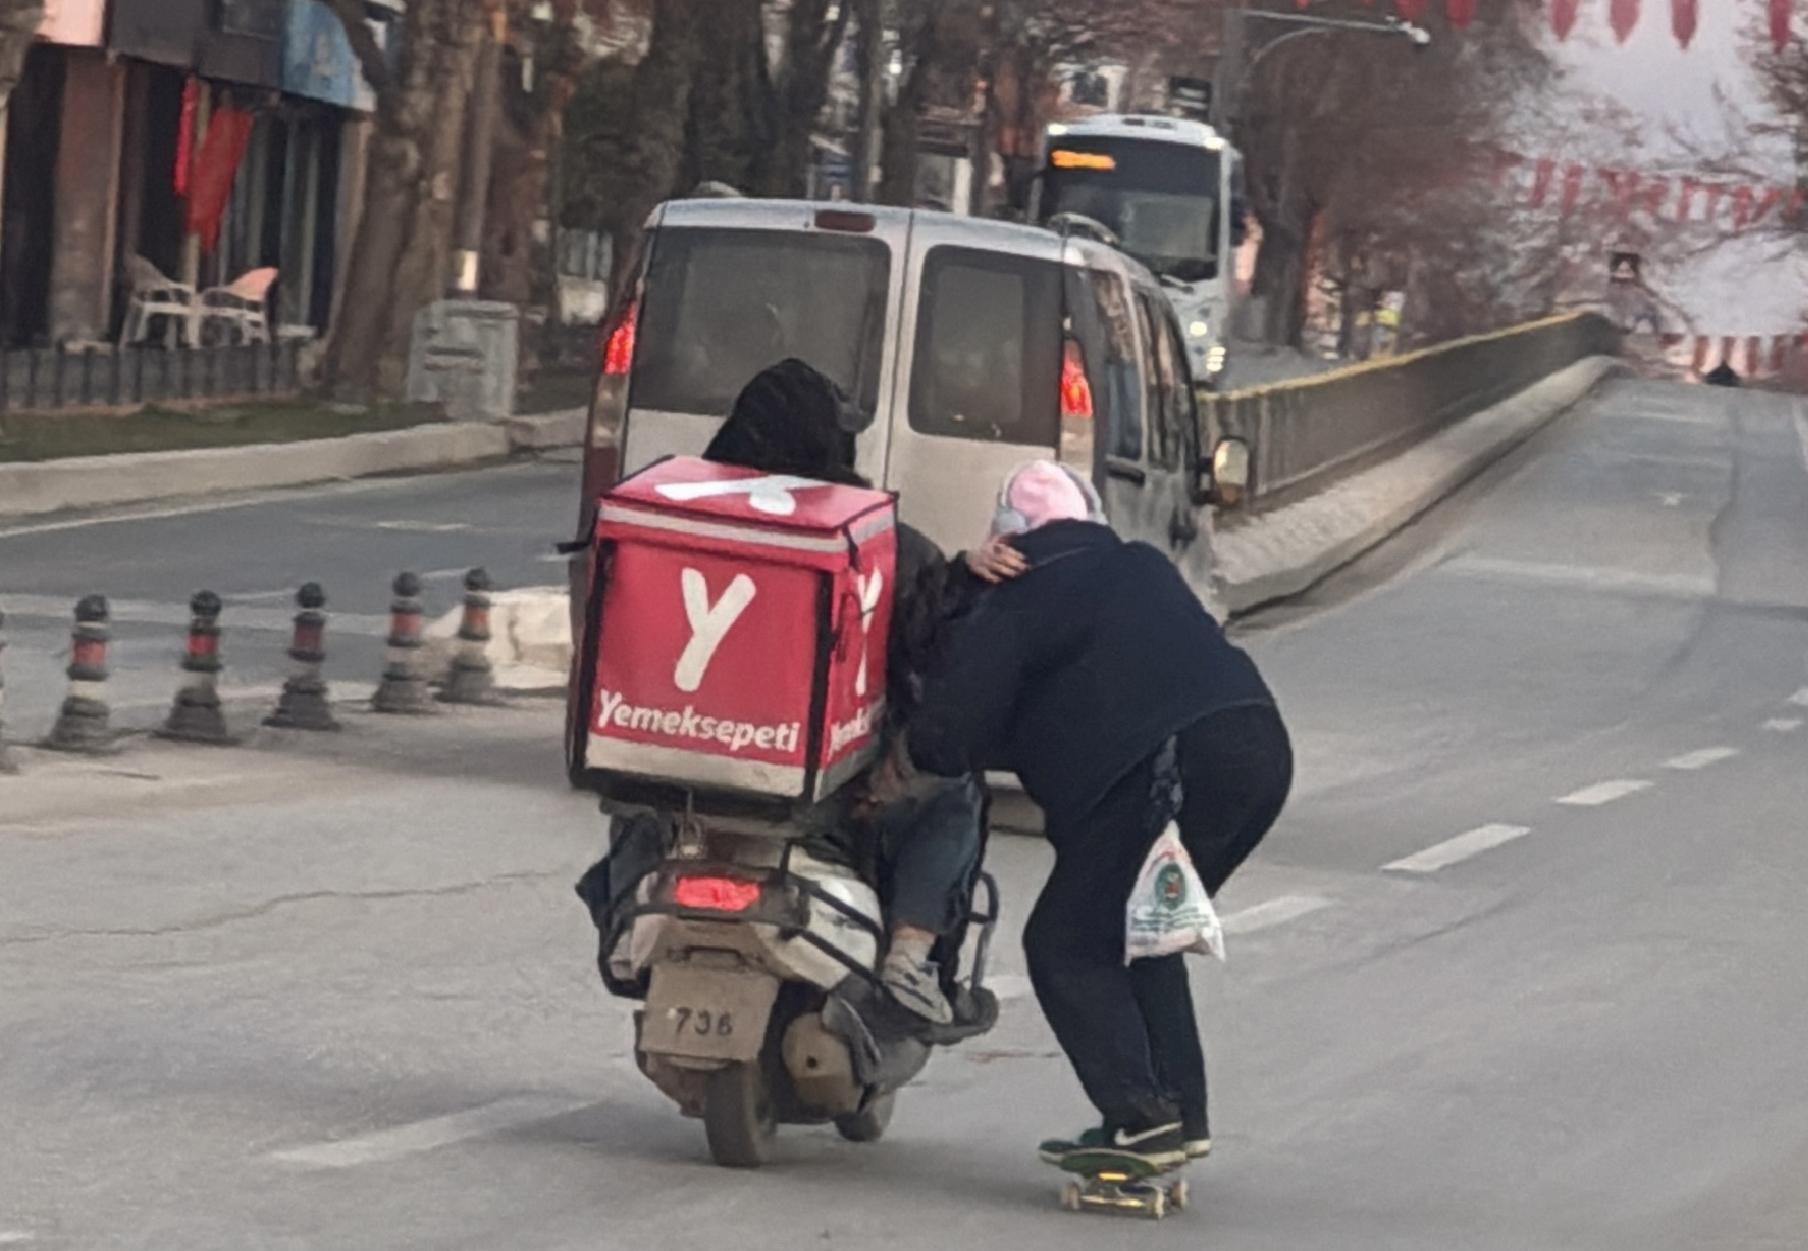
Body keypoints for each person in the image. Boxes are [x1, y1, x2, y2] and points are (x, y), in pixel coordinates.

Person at [893, 459, 1293, 1170]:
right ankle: (1179, 1111)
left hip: (1161, 769)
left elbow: (946, 738)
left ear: (1007, 541)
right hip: (1257, 750)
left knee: (1067, 943)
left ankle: (1142, 1116)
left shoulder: (1019, 598)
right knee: (1142, 928)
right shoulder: (1141, 563)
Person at [704, 358, 1022, 1026]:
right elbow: (935, 654)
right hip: (827, 791)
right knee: (954, 792)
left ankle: (624, 924)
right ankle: (910, 956)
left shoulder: (695, 526)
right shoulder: (879, 543)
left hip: (701, 772)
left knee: (637, 816)